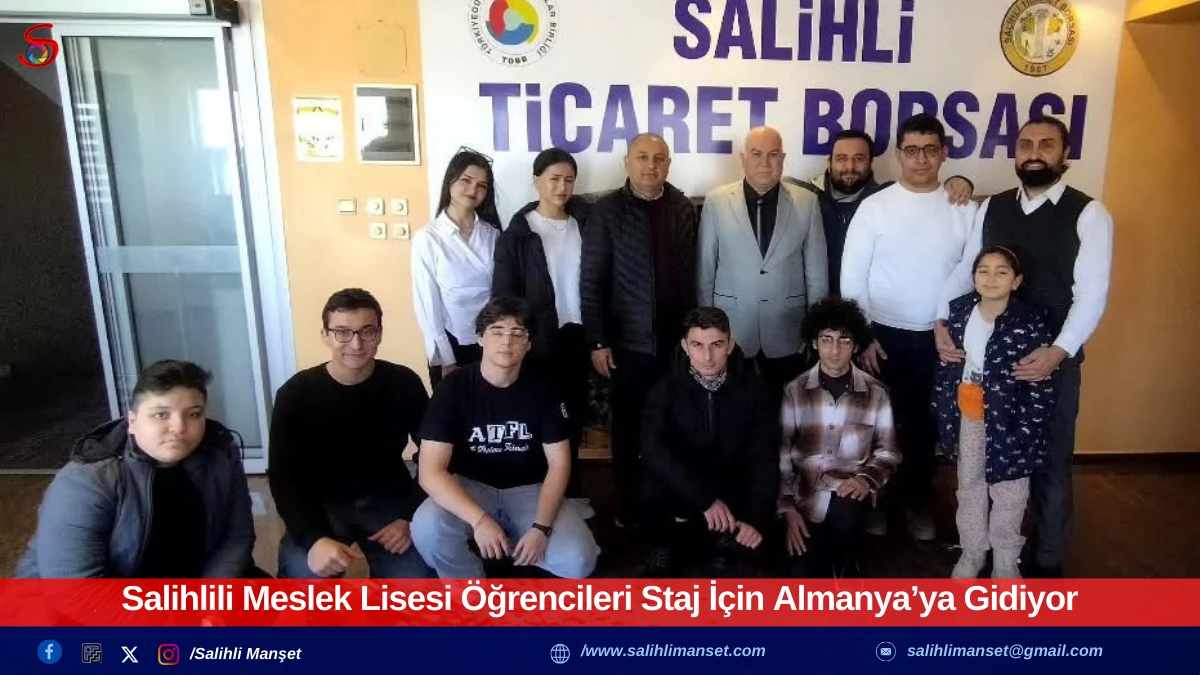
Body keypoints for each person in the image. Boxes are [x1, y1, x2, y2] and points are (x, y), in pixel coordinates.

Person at [935, 116, 1114, 578]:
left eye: (1046, 144)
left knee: (1049, 463)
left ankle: (1046, 560)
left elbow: (1092, 293)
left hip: (1050, 362)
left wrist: (1058, 351)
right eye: (1026, 144)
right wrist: (940, 320)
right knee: (977, 468)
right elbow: (965, 270)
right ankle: (979, 551)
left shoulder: (1088, 213)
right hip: (987, 365)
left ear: (1065, 153)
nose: (1034, 152)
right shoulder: (993, 208)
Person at [839, 113, 976, 542]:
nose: (921, 158)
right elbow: (852, 277)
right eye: (912, 150)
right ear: (898, 154)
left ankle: (915, 501)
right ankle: (875, 501)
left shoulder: (965, 208)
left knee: (924, 427)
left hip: (939, 336)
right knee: (876, 425)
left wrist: (945, 323)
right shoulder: (875, 207)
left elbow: (971, 274)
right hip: (881, 336)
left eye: (930, 149)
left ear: (944, 153)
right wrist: (863, 336)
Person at [411, 297, 600, 579]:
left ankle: (514, 537)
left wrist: (541, 528)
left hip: (529, 489)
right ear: (480, 338)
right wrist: (480, 521)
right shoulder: (453, 388)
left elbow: (559, 464)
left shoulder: (546, 387)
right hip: (470, 486)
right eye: (497, 331)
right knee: (427, 529)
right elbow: (430, 472)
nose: (507, 342)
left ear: (529, 343)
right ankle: (469, 588)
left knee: (578, 561)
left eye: (517, 333)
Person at [16, 360, 256, 578]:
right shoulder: (86, 481)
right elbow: (76, 590)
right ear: (132, 421)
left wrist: (210, 601)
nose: (179, 427)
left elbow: (236, 537)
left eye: (193, 414)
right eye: (161, 415)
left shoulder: (220, 457)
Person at [269, 288, 433, 578]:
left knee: (416, 587)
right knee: (302, 583)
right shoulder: (296, 394)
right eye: (342, 332)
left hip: (388, 502)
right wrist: (312, 538)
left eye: (367, 332)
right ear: (325, 335)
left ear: (379, 334)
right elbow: (283, 476)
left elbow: (433, 454)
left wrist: (410, 516)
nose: (356, 344)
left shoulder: (403, 382)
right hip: (319, 504)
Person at [580, 132, 699, 528]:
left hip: (677, 343)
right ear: (627, 163)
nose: (651, 165)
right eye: (643, 157)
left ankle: (679, 499)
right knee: (629, 427)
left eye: (659, 158)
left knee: (679, 425)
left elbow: (691, 274)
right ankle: (629, 507)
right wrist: (598, 340)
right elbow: (591, 281)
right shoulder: (606, 211)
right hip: (627, 343)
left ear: (669, 164)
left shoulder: (682, 207)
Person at [933, 247, 1056, 579]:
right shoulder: (959, 314)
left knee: (1010, 489)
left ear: (1016, 281)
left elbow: (1040, 379)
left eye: (1001, 272)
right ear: (973, 277)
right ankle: (972, 552)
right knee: (969, 484)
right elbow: (947, 367)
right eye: (983, 271)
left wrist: (1032, 422)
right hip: (969, 416)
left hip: (1013, 420)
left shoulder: (1030, 322)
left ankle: (1005, 560)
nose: (990, 278)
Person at [640, 307, 780, 577]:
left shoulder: (755, 391)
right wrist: (704, 499)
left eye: (716, 345)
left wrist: (756, 519)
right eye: (697, 345)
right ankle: (664, 544)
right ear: (685, 346)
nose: (707, 357)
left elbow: (764, 457)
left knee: (758, 563)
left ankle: (725, 538)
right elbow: (652, 449)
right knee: (653, 477)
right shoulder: (665, 390)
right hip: (686, 489)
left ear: (730, 345)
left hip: (730, 488)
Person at [697, 127, 829, 394]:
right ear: (743, 158)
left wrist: (814, 329)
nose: (765, 162)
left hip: (788, 330)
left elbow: (816, 273)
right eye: (756, 154)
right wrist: (707, 330)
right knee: (733, 406)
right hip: (730, 329)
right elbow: (705, 270)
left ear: (783, 158)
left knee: (782, 407)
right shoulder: (716, 201)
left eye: (773, 154)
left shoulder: (807, 202)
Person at [492, 147, 591, 498]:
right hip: (538, 340)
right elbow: (503, 296)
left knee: (574, 415)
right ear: (536, 181)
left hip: (578, 335)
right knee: (539, 416)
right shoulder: (518, 233)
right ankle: (536, 493)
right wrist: (515, 339)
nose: (562, 187)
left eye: (569, 180)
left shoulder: (585, 224)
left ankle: (571, 493)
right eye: (554, 179)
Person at [779, 299, 900, 578]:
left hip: (850, 492)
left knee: (846, 520)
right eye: (827, 340)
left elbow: (888, 451)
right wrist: (788, 510)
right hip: (806, 495)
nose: (835, 350)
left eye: (844, 341)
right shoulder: (794, 390)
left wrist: (865, 480)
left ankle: (848, 562)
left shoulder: (876, 392)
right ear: (814, 342)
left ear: (856, 346)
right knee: (803, 575)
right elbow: (782, 454)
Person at [786, 129, 975, 296]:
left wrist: (959, 181)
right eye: (842, 159)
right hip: (816, 304)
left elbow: (924, 191)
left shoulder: (884, 199)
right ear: (829, 161)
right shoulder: (806, 198)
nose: (850, 167)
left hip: (865, 307)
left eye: (859, 159)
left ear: (871, 162)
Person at [413, 148, 502, 388]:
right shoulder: (428, 238)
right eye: (466, 181)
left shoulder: (493, 235)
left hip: (490, 341)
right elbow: (427, 303)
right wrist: (446, 359)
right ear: (450, 181)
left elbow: (500, 292)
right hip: (450, 342)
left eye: (482, 185)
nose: (473, 190)